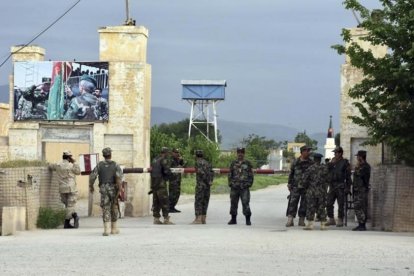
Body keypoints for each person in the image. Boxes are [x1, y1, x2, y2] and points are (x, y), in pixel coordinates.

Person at [89, 147, 123, 236]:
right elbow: (119, 177)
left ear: (104, 155)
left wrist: (91, 186)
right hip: (113, 188)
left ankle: (106, 230)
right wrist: (119, 189)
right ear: (110, 155)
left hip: (103, 188)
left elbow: (92, 176)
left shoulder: (99, 165)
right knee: (114, 206)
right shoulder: (115, 165)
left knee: (106, 207)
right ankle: (114, 229)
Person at [49, 150, 81, 229]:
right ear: (70, 157)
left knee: (68, 205)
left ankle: (73, 217)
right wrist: (75, 162)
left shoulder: (57, 165)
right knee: (70, 205)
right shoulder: (71, 166)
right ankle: (70, 220)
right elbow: (78, 172)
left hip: (62, 188)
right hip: (71, 188)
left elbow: (50, 166)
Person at [286, 145, 314, 227]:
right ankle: (290, 219)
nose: (308, 152)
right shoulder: (295, 162)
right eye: (307, 151)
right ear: (302, 152)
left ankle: (301, 219)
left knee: (304, 203)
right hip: (295, 186)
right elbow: (291, 174)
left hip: (306, 186)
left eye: (309, 151)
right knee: (292, 202)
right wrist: (289, 183)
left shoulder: (311, 163)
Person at [325, 146, 352, 227]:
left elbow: (348, 176)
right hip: (332, 185)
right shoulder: (332, 162)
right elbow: (326, 170)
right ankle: (331, 219)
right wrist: (331, 163)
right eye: (334, 153)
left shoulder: (345, 162)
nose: (335, 154)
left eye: (336, 153)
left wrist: (348, 187)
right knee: (329, 203)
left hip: (340, 185)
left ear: (340, 153)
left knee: (341, 204)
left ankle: (340, 219)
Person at [228, 147, 254, 226]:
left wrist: (248, 184)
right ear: (237, 153)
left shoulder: (248, 163)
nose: (240, 154)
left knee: (245, 203)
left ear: (244, 153)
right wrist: (231, 183)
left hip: (244, 187)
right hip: (235, 187)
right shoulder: (233, 163)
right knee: (233, 203)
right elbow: (230, 174)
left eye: (241, 152)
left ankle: (248, 220)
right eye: (238, 152)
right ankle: (233, 219)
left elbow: (251, 175)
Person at [302, 153, 329, 230]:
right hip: (322, 191)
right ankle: (323, 225)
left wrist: (306, 187)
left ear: (314, 159)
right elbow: (328, 179)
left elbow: (304, 180)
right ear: (320, 159)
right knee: (321, 207)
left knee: (311, 207)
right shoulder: (325, 168)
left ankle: (310, 224)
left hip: (312, 191)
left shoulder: (310, 168)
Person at [150, 147, 174, 225]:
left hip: (154, 184)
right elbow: (167, 171)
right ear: (166, 153)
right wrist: (170, 177)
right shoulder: (163, 160)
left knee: (156, 202)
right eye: (167, 153)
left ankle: (156, 219)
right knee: (164, 201)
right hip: (161, 184)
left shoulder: (154, 159)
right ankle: (166, 219)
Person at [191, 150, 214, 224]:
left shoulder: (197, 163)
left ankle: (198, 219)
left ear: (196, 155)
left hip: (201, 185)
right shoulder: (208, 163)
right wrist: (210, 181)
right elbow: (211, 172)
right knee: (205, 201)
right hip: (208, 186)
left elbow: (201, 172)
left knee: (198, 201)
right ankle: (203, 219)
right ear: (202, 155)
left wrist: (206, 180)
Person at [352, 150, 371, 231]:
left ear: (361, 157)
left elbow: (363, 177)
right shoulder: (360, 166)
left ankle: (362, 225)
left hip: (362, 189)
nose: (357, 158)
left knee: (361, 207)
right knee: (357, 207)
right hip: (357, 189)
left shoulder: (366, 167)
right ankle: (360, 223)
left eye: (358, 156)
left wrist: (356, 168)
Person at [169, 148, 184, 213]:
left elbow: (183, 165)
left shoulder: (177, 160)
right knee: (172, 194)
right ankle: (169, 207)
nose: (177, 154)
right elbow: (169, 169)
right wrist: (177, 167)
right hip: (173, 180)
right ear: (172, 153)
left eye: (178, 152)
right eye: (176, 152)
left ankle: (172, 207)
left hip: (178, 180)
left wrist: (181, 160)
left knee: (177, 194)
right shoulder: (170, 160)